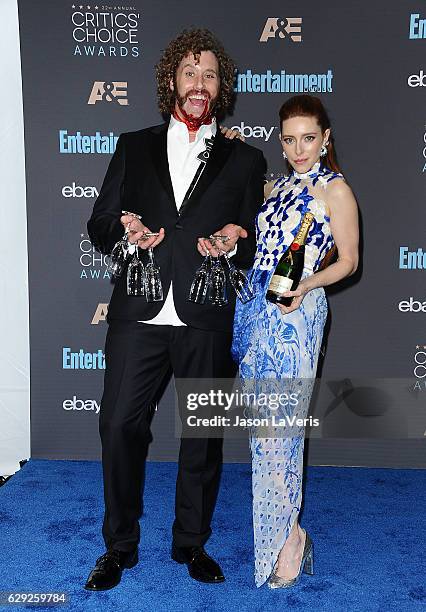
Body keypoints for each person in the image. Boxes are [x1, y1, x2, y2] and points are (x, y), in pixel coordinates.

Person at [84, 28, 266, 591]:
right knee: (118, 425)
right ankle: (119, 546)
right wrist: (127, 230)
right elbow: (99, 223)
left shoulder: (246, 159)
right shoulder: (133, 145)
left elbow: (258, 237)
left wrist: (238, 237)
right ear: (171, 82)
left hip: (206, 312)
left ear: (221, 88)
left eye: (209, 74)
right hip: (139, 309)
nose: (199, 83)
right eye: (190, 72)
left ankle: (191, 543)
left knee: (202, 436)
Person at [232, 94, 359, 588]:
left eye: (309, 138)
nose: (299, 148)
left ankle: (286, 543)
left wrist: (306, 285)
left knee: (281, 434)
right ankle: (290, 534)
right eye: (289, 140)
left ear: (325, 138)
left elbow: (348, 261)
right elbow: (242, 196)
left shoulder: (336, 190)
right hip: (258, 312)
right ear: (280, 143)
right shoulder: (276, 185)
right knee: (262, 434)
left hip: (298, 313)